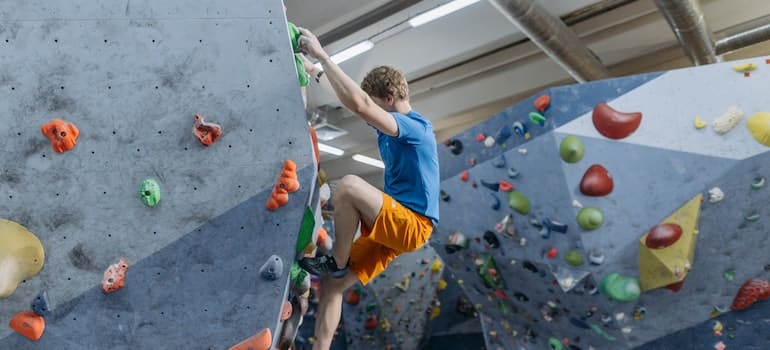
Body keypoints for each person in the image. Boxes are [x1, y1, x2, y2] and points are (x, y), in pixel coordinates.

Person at [296, 27, 440, 350]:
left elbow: (360, 104)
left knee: (347, 186)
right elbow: (348, 99)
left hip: (413, 224)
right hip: (394, 225)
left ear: (390, 99)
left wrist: (321, 54)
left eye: (378, 107)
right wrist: (313, 70)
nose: (370, 118)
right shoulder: (389, 128)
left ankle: (337, 259)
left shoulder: (415, 128)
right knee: (333, 288)